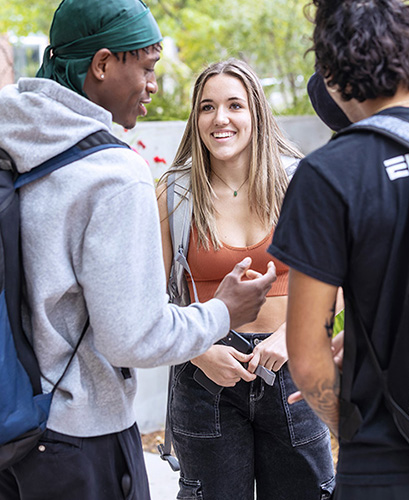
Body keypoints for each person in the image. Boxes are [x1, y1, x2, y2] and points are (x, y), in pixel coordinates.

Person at [0, 2, 276, 499]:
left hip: (11, 425)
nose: (152, 85)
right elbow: (135, 336)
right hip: (80, 440)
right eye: (147, 67)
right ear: (103, 65)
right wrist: (222, 311)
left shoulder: (12, 140)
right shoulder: (113, 173)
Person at [268, 0, 409, 499]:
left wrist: (352, 424)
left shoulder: (330, 173)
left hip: (391, 464)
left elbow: (307, 359)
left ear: (331, 74)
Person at [156, 59, 335, 500]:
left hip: (294, 370)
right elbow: (151, 302)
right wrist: (200, 352)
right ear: (195, 118)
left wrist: (295, 333)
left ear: (255, 112)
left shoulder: (301, 183)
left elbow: (342, 279)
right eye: (207, 107)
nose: (221, 119)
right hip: (206, 377)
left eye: (234, 105)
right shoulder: (173, 193)